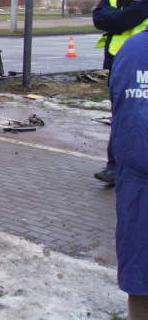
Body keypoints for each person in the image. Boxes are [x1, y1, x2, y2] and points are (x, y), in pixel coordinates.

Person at [92, 0, 148, 185]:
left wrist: (114, 17)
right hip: (117, 62)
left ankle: (125, 166)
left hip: (141, 62)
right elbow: (98, 17)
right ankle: (114, 166)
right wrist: (115, 17)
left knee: (134, 114)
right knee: (120, 114)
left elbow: (125, 20)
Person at [106, 28, 148, 318]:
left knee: (139, 265)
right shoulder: (135, 52)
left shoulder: (132, 50)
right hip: (138, 178)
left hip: (135, 178)